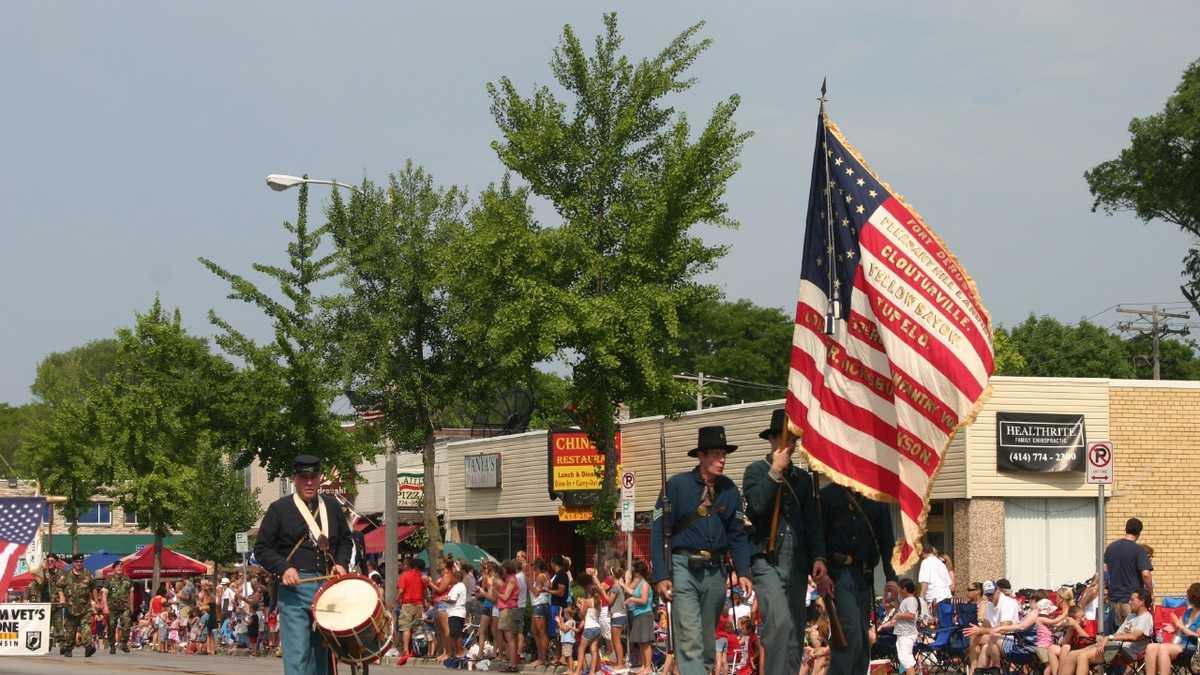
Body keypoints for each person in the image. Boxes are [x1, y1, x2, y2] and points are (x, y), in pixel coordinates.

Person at [650, 426, 753, 675]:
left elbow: (737, 535)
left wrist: (744, 571)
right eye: (716, 454)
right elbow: (658, 531)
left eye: (724, 454)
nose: (722, 459)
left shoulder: (729, 490)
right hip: (683, 566)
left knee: (708, 640)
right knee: (689, 637)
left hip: (715, 571)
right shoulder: (676, 486)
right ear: (702, 456)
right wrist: (662, 575)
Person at [741, 409, 828, 675]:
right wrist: (775, 472)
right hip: (767, 560)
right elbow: (756, 507)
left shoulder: (802, 479)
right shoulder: (756, 471)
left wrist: (819, 557)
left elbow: (813, 522)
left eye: (794, 440)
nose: (791, 445)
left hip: (798, 563)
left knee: (793, 627)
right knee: (777, 622)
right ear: (773, 439)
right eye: (786, 438)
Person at [253, 454, 351, 675]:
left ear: (319, 478)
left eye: (313, 477)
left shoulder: (332, 506)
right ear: (294, 478)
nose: (309, 482)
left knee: (321, 655)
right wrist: (283, 567)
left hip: (326, 587)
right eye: (303, 477)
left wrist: (342, 563)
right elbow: (261, 548)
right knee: (298, 655)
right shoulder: (280, 509)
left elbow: (346, 540)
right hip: (295, 590)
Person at [820, 482, 897, 675]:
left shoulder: (876, 495)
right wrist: (822, 571)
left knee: (862, 639)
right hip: (839, 573)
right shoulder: (827, 496)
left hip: (864, 574)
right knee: (850, 631)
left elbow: (886, 539)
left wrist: (891, 576)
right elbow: (818, 537)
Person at [1061, 588, 1153, 675]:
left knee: (1083, 656)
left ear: (1142, 602)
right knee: (1072, 655)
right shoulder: (1131, 616)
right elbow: (1119, 633)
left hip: (1125, 652)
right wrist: (1104, 640)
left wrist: (1109, 637)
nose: (1129, 602)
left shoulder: (1146, 618)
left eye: (1132, 600)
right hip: (1114, 645)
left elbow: (1134, 636)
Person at [1104, 517, 1153, 626]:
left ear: (1125, 529)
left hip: (1113, 600)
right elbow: (1146, 574)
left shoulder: (1111, 547)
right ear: (1139, 532)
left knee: (1116, 637)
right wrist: (1150, 592)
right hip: (1131, 601)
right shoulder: (1138, 550)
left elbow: (1105, 572)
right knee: (1131, 635)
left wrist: (1106, 589)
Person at [1144, 582, 1200, 675]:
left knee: (1164, 648)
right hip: (1180, 644)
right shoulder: (1188, 612)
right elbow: (1180, 630)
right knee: (1151, 647)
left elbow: (1197, 637)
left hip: (1193, 648)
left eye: (1188, 595)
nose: (1186, 597)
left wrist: (1179, 625)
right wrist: (1174, 628)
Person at [58, 553, 96, 657]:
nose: (79, 564)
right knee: (70, 631)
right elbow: (59, 587)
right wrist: (62, 597)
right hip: (70, 608)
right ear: (73, 563)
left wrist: (95, 602)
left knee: (85, 627)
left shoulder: (88, 574)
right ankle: (68, 648)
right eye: (77, 562)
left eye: (81, 562)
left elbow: (93, 588)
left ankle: (89, 647)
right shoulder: (66, 575)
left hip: (85, 607)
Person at [879, 578, 918, 674]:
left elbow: (911, 615)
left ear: (904, 589)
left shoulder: (911, 600)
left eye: (900, 588)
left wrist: (898, 615)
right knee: (904, 659)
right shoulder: (905, 601)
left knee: (906, 659)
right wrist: (882, 626)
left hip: (907, 634)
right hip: (902, 634)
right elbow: (894, 621)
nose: (899, 591)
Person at [623, 559, 654, 675]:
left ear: (637, 572)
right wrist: (624, 582)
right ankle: (643, 665)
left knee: (645, 642)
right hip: (638, 615)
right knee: (641, 642)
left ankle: (648, 667)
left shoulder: (645, 584)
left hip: (644, 615)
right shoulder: (640, 583)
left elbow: (644, 600)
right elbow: (631, 591)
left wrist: (631, 599)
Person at [396, 557, 427, 663]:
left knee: (406, 627)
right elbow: (424, 592)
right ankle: (415, 650)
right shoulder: (422, 577)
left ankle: (406, 650)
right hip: (419, 604)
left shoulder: (405, 575)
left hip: (407, 604)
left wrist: (395, 600)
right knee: (416, 628)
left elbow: (401, 591)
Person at [102, 565, 134, 654]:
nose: (119, 569)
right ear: (114, 569)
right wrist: (105, 607)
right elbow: (104, 594)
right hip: (112, 608)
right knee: (112, 627)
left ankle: (124, 643)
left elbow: (131, 593)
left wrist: (131, 606)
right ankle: (112, 645)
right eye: (117, 567)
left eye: (121, 567)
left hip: (125, 607)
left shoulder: (128, 580)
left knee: (127, 625)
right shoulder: (109, 580)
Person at [917, 542, 953, 623]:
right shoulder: (940, 563)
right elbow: (949, 584)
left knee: (936, 628)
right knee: (946, 626)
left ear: (922, 552)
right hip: (947, 599)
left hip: (936, 601)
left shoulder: (925, 562)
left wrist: (921, 600)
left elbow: (925, 583)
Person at [446, 568, 469, 666]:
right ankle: (457, 652)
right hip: (457, 612)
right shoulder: (461, 586)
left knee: (456, 634)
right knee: (455, 634)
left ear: (456, 578)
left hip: (456, 612)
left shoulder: (458, 586)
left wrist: (444, 599)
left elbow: (453, 600)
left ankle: (460, 652)